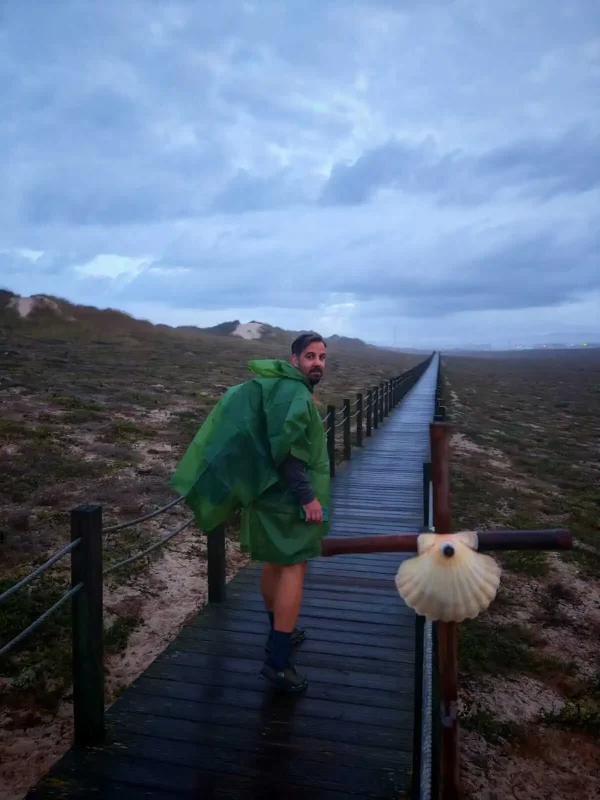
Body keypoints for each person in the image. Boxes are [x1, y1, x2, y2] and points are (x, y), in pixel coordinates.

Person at [169, 331, 330, 693]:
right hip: (287, 497)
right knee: (293, 567)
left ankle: (279, 633)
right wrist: (307, 497)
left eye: (322, 357)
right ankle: (278, 663)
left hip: (265, 492)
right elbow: (287, 451)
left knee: (274, 563)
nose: (317, 363)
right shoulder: (293, 393)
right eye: (310, 356)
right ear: (294, 359)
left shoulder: (275, 386)